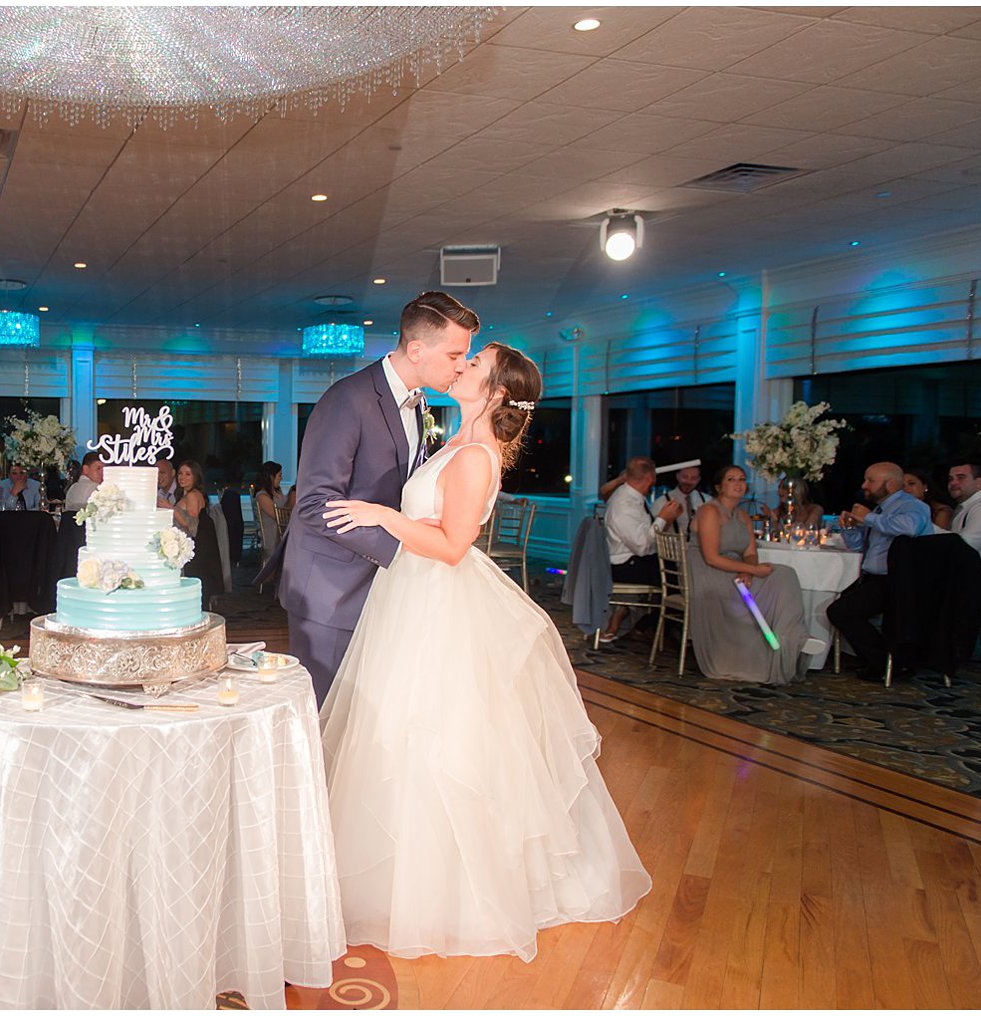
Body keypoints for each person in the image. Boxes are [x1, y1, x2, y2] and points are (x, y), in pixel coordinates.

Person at [317, 342, 650, 960]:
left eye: (475, 364)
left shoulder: (475, 457)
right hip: (412, 597)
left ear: (494, 392)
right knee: (399, 734)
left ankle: (445, 894)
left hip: (439, 603)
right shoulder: (457, 442)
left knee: (436, 739)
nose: (462, 366)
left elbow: (451, 546)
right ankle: (400, 880)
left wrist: (378, 516)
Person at [266, 291, 477, 703]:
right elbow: (313, 505)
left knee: (359, 719)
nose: (461, 365)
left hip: (379, 588)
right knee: (323, 716)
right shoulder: (348, 399)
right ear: (416, 349)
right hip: (330, 591)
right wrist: (401, 547)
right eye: (454, 354)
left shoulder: (418, 405)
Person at [687, 465, 820, 684]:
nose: (738, 484)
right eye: (731, 479)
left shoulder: (742, 515)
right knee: (769, 581)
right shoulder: (709, 511)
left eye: (741, 479)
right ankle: (793, 640)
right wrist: (752, 570)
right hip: (710, 572)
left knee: (785, 574)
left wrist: (748, 570)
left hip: (736, 569)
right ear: (719, 486)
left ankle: (792, 638)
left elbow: (750, 552)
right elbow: (711, 557)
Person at [827, 461, 934, 681]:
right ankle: (884, 661)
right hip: (873, 577)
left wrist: (868, 518)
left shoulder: (911, 505)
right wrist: (849, 527)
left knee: (842, 611)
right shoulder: (879, 509)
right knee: (839, 606)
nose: (864, 485)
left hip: (898, 581)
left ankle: (887, 662)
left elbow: (910, 527)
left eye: (871, 480)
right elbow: (859, 545)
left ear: (891, 484)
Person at [598, 457, 684, 643]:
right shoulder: (624, 504)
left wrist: (665, 520)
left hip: (634, 559)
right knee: (679, 581)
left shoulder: (634, 498)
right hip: (624, 565)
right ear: (650, 478)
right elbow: (642, 547)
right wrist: (662, 518)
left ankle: (653, 627)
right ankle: (650, 626)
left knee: (677, 570)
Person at [171, 460, 223, 611]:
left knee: (196, 586)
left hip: (198, 548)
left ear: (196, 477)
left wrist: (171, 509)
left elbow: (192, 525)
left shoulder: (193, 495)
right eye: (180, 473)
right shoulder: (186, 494)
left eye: (188, 474)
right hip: (195, 547)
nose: (182, 477)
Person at [945, 460, 981, 574]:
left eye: (961, 477)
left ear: (978, 482)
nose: (953, 483)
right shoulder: (968, 507)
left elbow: (966, 547)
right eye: (950, 479)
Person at [253, 460, 284, 567]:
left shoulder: (277, 492)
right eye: (279, 476)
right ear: (271, 477)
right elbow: (279, 517)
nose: (281, 478)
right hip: (273, 535)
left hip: (281, 531)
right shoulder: (262, 496)